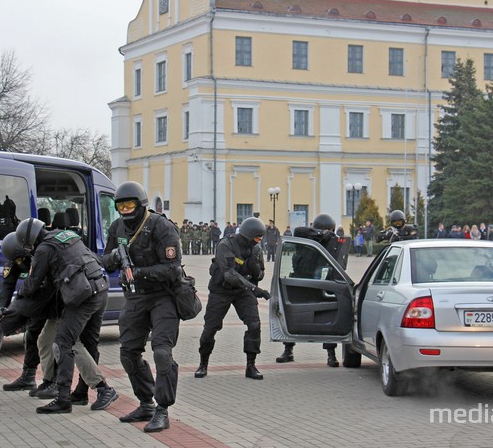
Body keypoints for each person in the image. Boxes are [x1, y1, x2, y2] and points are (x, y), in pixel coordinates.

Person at [101, 181, 183, 433]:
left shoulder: (161, 226)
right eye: (120, 205)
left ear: (141, 204)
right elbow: (105, 260)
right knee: (128, 352)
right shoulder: (117, 227)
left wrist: (138, 272)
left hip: (163, 296)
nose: (125, 210)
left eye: (130, 204)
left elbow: (172, 268)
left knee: (161, 352)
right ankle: (146, 402)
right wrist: (114, 258)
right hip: (135, 298)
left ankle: (162, 409)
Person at [14, 217, 110, 414]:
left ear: (31, 240)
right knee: (86, 343)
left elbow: (33, 284)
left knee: (62, 343)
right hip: (100, 289)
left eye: (29, 245)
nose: (30, 248)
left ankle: (69, 396)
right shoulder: (68, 235)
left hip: (83, 295)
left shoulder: (43, 249)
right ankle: (81, 393)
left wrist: (19, 298)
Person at [194, 217, 269, 380]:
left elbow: (261, 273)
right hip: (221, 290)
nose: (259, 241)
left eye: (261, 238)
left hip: (243, 291)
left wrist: (257, 272)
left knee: (254, 324)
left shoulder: (256, 250)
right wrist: (254, 288)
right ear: (248, 235)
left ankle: (251, 365)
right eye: (257, 237)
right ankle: (203, 364)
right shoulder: (226, 245)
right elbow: (229, 274)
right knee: (210, 328)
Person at [276, 213, 343, 368]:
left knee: (328, 316)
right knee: (292, 314)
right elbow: (298, 230)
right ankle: (288, 350)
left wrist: (329, 236)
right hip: (299, 279)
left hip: (322, 283)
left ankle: (331, 354)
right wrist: (321, 234)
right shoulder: (305, 235)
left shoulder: (331, 242)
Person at [0, 232, 47, 393]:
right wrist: (1, 307)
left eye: (19, 259)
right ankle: (28, 376)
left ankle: (52, 381)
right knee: (31, 336)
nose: (18, 263)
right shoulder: (14, 259)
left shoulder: (41, 255)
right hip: (35, 298)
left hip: (51, 299)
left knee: (48, 342)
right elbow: (7, 285)